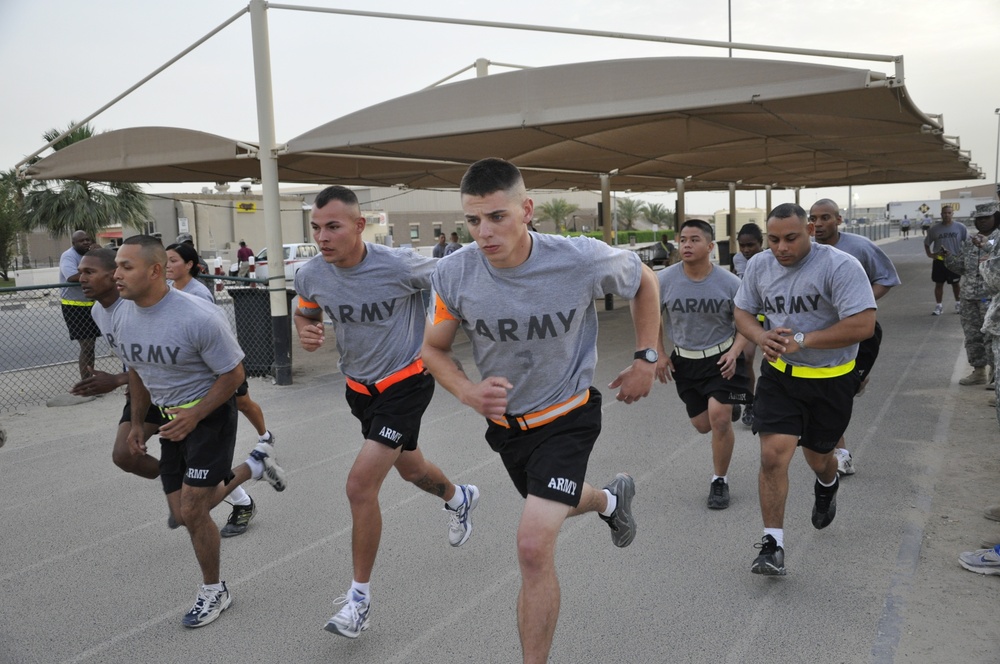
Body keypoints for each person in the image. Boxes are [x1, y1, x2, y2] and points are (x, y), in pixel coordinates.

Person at [422, 158, 658, 663]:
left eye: (497, 217)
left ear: (527, 210)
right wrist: (468, 392)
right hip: (507, 429)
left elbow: (646, 280)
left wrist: (646, 357)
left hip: (568, 416)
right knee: (557, 502)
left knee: (532, 545)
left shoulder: (580, 259)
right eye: (473, 220)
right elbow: (434, 349)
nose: (483, 232)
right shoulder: (453, 272)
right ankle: (609, 501)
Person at [292, 185, 479, 640]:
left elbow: (459, 278)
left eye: (333, 226)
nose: (323, 236)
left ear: (359, 225)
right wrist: (307, 331)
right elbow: (306, 312)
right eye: (316, 227)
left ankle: (358, 601)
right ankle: (459, 497)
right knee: (411, 469)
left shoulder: (400, 266)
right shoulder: (310, 273)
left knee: (360, 486)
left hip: (407, 382)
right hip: (359, 391)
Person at [112, 235, 287, 628]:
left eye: (126, 266)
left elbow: (234, 374)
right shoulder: (124, 314)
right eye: (116, 265)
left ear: (155, 271)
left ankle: (214, 590)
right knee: (184, 513)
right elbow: (138, 370)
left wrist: (195, 415)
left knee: (193, 509)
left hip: (209, 415)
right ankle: (254, 466)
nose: (116, 274)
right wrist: (139, 422)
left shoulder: (198, 316)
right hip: (172, 417)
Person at [71, 248, 265, 538]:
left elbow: (204, 363)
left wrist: (116, 379)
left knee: (191, 498)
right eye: (80, 272)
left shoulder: (147, 305)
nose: (79, 277)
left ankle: (220, 489)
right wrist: (125, 384)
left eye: (89, 272)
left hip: (183, 392)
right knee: (125, 456)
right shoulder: (100, 311)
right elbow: (139, 363)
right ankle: (193, 486)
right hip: (145, 391)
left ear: (114, 275)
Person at [734, 203, 876, 576]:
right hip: (781, 376)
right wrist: (760, 335)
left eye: (791, 238)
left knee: (819, 456)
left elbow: (863, 324)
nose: (781, 247)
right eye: (774, 239)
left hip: (831, 380)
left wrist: (804, 339)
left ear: (810, 231)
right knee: (773, 456)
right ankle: (772, 545)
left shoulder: (840, 266)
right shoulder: (759, 266)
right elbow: (743, 312)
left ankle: (827, 484)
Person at [166, 241, 279, 532]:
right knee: (184, 460)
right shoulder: (166, 293)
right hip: (181, 389)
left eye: (173, 260)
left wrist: (220, 380)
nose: (167, 265)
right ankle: (227, 492)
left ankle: (264, 438)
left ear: (189, 264)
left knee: (243, 403)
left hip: (215, 372)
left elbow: (210, 337)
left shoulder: (197, 293)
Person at [656, 219, 750, 510]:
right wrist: (658, 353)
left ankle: (719, 481)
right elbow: (651, 317)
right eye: (683, 239)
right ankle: (727, 407)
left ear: (710, 247)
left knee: (719, 418)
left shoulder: (731, 283)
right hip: (685, 362)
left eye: (695, 240)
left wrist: (735, 353)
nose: (686, 245)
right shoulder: (663, 280)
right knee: (703, 425)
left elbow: (747, 324)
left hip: (723, 359)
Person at [810, 199, 900, 476]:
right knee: (831, 393)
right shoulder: (806, 251)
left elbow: (887, 277)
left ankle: (858, 379)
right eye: (814, 218)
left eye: (826, 217)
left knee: (843, 390)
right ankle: (842, 453)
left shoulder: (859, 247)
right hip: (824, 336)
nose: (819, 224)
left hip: (859, 334)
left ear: (839, 219)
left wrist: (859, 304)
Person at [944, 203, 999, 387]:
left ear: (995, 218)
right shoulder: (970, 240)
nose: (982, 222)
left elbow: (991, 248)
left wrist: (984, 245)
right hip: (969, 296)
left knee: (991, 336)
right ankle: (979, 371)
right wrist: (948, 258)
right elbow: (962, 268)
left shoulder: (995, 239)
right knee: (972, 335)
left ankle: (994, 375)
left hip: (990, 298)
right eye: (979, 218)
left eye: (986, 218)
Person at [733, 223, 765, 426]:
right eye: (742, 245)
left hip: (771, 316)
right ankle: (750, 402)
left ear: (761, 243)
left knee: (774, 361)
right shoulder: (737, 260)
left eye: (751, 245)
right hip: (750, 316)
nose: (745, 250)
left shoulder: (771, 259)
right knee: (746, 358)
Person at [59, 230, 102, 381]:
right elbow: (71, 277)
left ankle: (89, 379)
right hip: (74, 307)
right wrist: (95, 275)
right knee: (87, 346)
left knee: (91, 346)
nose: (86, 242)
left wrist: (99, 254)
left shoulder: (91, 255)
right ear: (73, 243)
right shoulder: (69, 256)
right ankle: (86, 382)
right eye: (81, 241)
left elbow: (107, 269)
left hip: (93, 305)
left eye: (87, 239)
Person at [924, 205, 967, 315]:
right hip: (939, 260)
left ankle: (958, 304)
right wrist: (930, 254)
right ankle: (939, 306)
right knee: (938, 284)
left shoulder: (960, 227)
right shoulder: (934, 229)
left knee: (956, 284)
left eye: (949, 213)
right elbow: (927, 243)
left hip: (954, 260)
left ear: (952, 214)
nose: (946, 215)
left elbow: (968, 242)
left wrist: (964, 255)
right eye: (944, 213)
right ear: (941, 214)